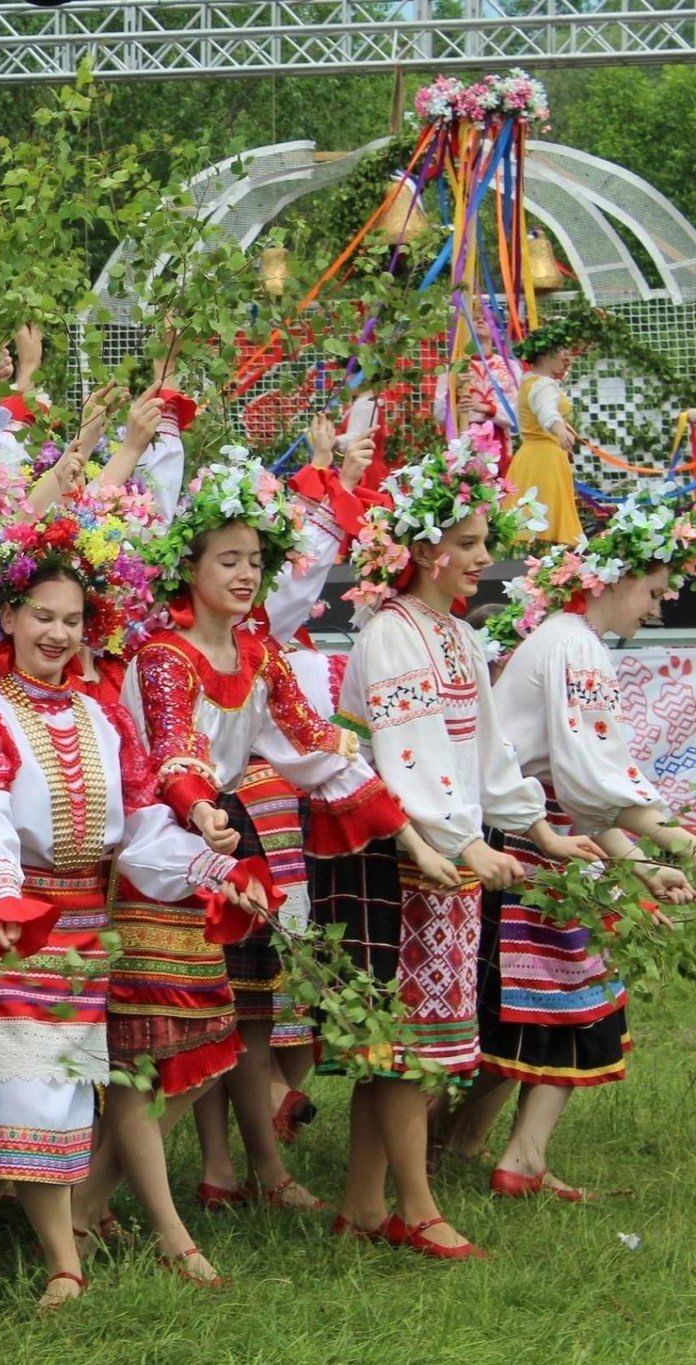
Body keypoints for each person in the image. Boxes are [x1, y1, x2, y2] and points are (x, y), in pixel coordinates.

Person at [0, 511, 265, 1309]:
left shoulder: (104, 717)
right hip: (7, 918)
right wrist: (4, 879)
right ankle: (63, 1264)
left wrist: (216, 867)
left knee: (41, 1083)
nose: (56, 631)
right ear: (7, 618)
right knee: (31, 1084)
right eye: (40, 614)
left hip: (82, 924)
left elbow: (144, 829)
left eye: (72, 618)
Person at [125, 451, 427, 1220]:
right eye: (227, 559)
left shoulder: (258, 654)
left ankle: (246, 1167)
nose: (245, 573)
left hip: (231, 831)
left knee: (251, 1005)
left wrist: (410, 836)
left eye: (254, 559)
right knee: (193, 1026)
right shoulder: (165, 654)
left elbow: (313, 744)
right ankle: (120, 1192)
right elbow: (171, 752)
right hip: (167, 836)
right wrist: (200, 810)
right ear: (187, 568)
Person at [325, 439, 602, 1259]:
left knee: (399, 1041)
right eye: (473, 543)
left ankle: (363, 1204)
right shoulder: (394, 633)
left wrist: (540, 827)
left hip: (443, 849)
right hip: (398, 850)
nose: (485, 557)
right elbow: (403, 752)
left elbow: (486, 752)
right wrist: (463, 840)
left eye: (485, 542)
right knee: (404, 1041)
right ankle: (417, 1207)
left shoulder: (453, 633)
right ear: (423, 550)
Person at [440, 493, 696, 1195]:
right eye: (651, 592)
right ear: (612, 579)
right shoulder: (574, 645)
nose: (656, 610)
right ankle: (513, 1157)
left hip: (536, 825)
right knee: (562, 994)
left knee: (533, 997)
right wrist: (671, 841)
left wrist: (645, 863)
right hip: (528, 833)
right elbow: (590, 780)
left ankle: (472, 1143)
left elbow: (583, 784)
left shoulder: (565, 637)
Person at [508, 316, 593, 546]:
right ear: (545, 355)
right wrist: (560, 431)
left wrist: (563, 430)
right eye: (560, 349)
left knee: (533, 518)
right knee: (544, 519)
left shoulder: (530, 381)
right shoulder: (543, 385)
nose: (566, 354)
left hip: (530, 456)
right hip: (544, 460)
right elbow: (547, 412)